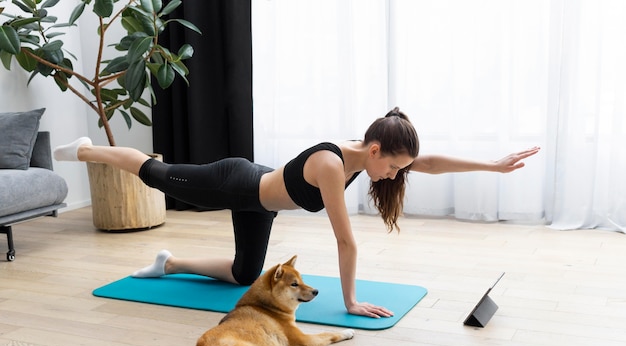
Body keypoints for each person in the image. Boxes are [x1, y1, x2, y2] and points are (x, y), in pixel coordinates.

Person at [54, 107, 539, 318]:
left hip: (260, 202)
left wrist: (493, 167)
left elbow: (426, 162)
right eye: (392, 166)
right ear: (374, 150)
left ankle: (170, 263)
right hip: (234, 182)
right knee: (158, 174)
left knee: (246, 274)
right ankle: (87, 151)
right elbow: (345, 241)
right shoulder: (331, 165)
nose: (394, 176)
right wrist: (349, 303)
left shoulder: (362, 156)